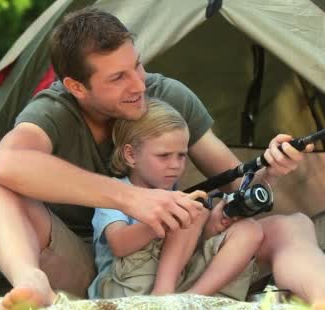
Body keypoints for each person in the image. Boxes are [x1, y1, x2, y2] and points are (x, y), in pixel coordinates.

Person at [0, 7, 325, 310]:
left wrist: (267, 172)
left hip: (176, 258)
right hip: (89, 264)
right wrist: (134, 201)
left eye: (137, 64)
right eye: (117, 77)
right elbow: (10, 164)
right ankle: (30, 283)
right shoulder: (55, 111)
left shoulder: (165, 93)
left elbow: (235, 183)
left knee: (291, 225)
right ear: (77, 87)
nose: (138, 83)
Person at [89, 98, 263, 300]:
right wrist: (168, 216)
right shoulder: (116, 191)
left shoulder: (174, 193)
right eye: (164, 156)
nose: (175, 165)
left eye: (181, 156)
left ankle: (191, 299)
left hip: (176, 283)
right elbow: (119, 244)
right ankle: (164, 295)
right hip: (126, 286)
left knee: (249, 229)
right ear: (130, 155)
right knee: (187, 209)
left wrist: (212, 226)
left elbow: (182, 245)